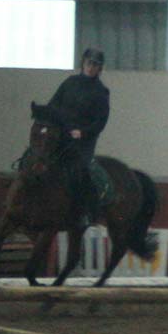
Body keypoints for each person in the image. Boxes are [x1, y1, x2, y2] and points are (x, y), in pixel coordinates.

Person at [47, 47, 110, 227]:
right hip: (61, 134)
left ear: (99, 68)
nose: (91, 67)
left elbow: (101, 121)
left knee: (81, 171)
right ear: (83, 63)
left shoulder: (101, 92)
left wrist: (83, 132)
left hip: (83, 141)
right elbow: (53, 105)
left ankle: (85, 211)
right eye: (89, 63)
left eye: (95, 65)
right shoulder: (69, 83)